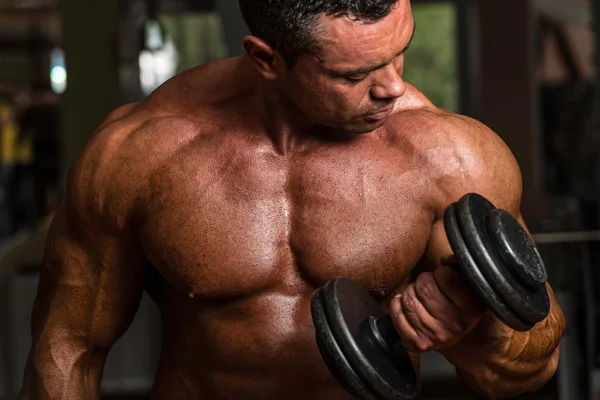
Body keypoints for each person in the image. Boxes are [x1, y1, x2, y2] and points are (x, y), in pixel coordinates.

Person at [20, 0, 566, 399]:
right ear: (267, 58)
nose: (393, 88)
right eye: (355, 74)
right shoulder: (139, 154)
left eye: (400, 52)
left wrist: (467, 334)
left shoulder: (451, 158)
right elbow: (67, 350)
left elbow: (530, 366)